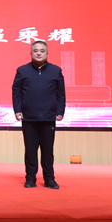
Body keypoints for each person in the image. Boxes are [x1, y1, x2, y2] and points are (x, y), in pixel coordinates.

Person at [12, 40, 66, 189]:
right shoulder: (22, 70)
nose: (39, 53)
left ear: (47, 53)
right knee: (30, 151)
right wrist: (17, 110)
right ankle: (30, 178)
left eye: (42, 51)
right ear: (31, 53)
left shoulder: (56, 71)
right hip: (29, 117)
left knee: (48, 151)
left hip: (48, 117)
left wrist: (60, 111)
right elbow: (16, 92)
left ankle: (49, 179)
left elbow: (61, 93)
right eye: (36, 51)